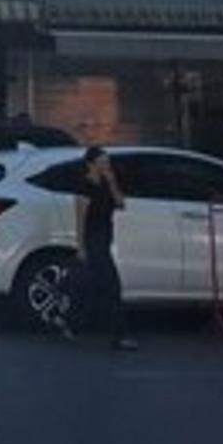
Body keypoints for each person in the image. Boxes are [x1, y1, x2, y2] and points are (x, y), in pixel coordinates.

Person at [74, 145, 137, 351]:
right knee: (112, 286)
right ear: (90, 164)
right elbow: (80, 217)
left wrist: (112, 182)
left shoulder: (105, 184)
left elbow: (120, 204)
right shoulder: (85, 186)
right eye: (102, 162)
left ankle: (74, 322)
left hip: (106, 236)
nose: (106, 166)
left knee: (93, 288)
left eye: (107, 162)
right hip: (94, 239)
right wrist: (81, 246)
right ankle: (120, 335)